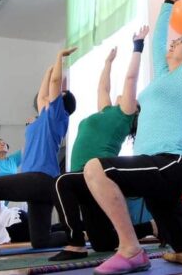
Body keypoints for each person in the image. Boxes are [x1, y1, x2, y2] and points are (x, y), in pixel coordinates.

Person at [81, 0, 182, 275]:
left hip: (173, 160)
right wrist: (168, 3)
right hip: (153, 163)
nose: (175, 41)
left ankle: (131, 249)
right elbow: (159, 40)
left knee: (95, 168)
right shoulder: (161, 75)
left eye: (181, 40)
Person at [50, 27, 160, 261]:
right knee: (102, 242)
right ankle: (152, 227)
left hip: (98, 176)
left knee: (61, 182)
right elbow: (103, 88)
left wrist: (137, 46)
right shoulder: (106, 111)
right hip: (85, 180)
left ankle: (75, 244)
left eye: (132, 99)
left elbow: (131, 78)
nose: (126, 96)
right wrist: (108, 62)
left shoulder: (125, 115)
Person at [0, 48, 77, 264]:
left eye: (57, 96)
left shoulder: (58, 117)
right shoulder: (44, 116)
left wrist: (59, 59)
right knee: (40, 241)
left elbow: (55, 85)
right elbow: (42, 94)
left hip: (41, 178)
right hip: (39, 185)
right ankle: (80, 232)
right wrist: (48, 70)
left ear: (62, 103)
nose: (50, 99)